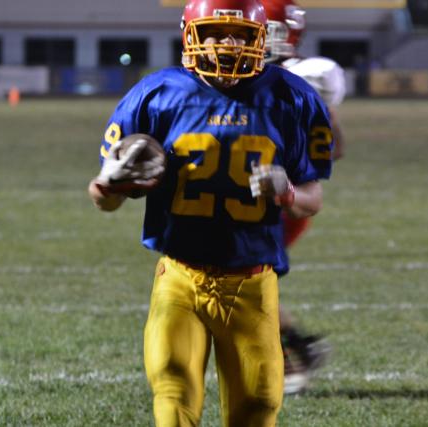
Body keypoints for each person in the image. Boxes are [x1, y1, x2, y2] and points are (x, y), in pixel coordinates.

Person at [88, 0, 333, 425]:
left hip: (253, 281)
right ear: (190, 35)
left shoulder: (290, 97)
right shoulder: (156, 94)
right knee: (174, 390)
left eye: (240, 34)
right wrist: (111, 184)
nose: (227, 44)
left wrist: (289, 192)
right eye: (216, 32)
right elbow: (104, 199)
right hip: (181, 278)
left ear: (260, 39)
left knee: (257, 405)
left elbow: (314, 198)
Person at [262, 0, 347, 395]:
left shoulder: (305, 76)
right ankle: (299, 348)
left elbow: (333, 148)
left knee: (243, 280)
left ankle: (291, 359)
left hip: (283, 197)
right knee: (247, 283)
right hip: (257, 194)